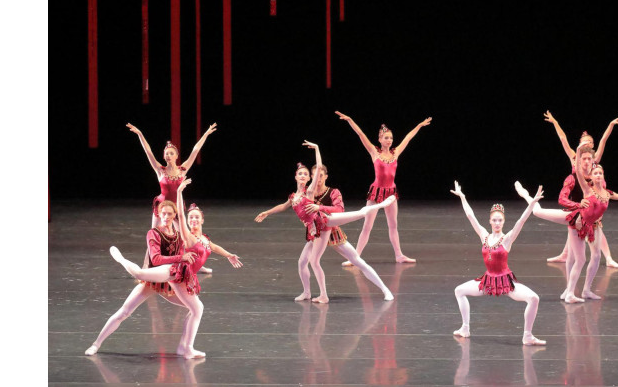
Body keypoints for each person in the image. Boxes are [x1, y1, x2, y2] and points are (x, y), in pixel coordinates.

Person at [107, 178, 243, 359]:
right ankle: (186, 348)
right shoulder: (187, 235)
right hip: (178, 274)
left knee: (196, 309)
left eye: (197, 217)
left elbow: (214, 247)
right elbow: (179, 211)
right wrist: (179, 192)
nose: (193, 219)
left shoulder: (205, 239)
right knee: (196, 308)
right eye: (191, 217)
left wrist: (228, 255)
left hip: (188, 277)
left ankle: (185, 347)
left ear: (202, 219)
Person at [255, 141, 396, 303]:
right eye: (312, 175)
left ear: (320, 177)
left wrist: (316, 149)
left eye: (318, 175)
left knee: (357, 258)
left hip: (329, 227)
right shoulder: (298, 195)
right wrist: (267, 212)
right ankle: (307, 292)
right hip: (315, 232)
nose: (317, 178)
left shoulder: (321, 192)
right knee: (302, 262)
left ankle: (385, 289)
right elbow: (284, 206)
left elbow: (338, 209)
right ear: (297, 177)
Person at [516, 144, 618, 302]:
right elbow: (578, 172)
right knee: (537, 211)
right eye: (595, 173)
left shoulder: (607, 193)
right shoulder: (588, 190)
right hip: (575, 219)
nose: (597, 175)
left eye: (600, 173)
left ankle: (581, 291)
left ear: (602, 176)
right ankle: (527, 195)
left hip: (589, 226)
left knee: (589, 257)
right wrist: (580, 150)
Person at [84, 199, 190, 356]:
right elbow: (156, 259)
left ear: (174, 215)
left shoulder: (179, 236)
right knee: (124, 312)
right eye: (163, 213)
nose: (166, 216)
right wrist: (181, 257)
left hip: (169, 283)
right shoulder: (153, 233)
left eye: (169, 214)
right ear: (159, 215)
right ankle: (96, 344)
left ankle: (185, 346)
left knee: (194, 308)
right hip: (152, 280)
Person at [449, 181, 547, 345]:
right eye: (494, 220)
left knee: (533, 298)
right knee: (459, 291)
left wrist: (532, 203)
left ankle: (527, 335)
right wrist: (463, 197)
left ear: (503, 222)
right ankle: (465, 328)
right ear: (489, 221)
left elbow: (521, 221)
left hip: (505, 283)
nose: (496, 223)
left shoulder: (506, 239)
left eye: (499, 220)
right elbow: (470, 216)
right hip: (488, 282)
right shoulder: (484, 236)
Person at [334, 111, 431, 264]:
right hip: (376, 192)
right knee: (367, 226)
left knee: (393, 225)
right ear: (379, 139)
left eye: (391, 138)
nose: (389, 140)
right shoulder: (374, 152)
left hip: (391, 193)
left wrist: (419, 125)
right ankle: (355, 257)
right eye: (386, 138)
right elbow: (360, 134)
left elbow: (408, 137)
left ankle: (399, 255)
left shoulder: (395, 153)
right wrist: (350, 120)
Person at [127, 122, 218, 273]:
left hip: (177, 207)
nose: (168, 155)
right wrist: (140, 134)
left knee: (185, 237)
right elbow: (148, 151)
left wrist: (206, 134)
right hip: (162, 207)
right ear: (164, 156)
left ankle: (195, 263)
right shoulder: (160, 170)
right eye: (166, 153)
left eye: (171, 153)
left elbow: (195, 150)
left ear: (176, 156)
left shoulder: (183, 170)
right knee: (153, 235)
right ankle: (145, 266)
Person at [543, 111, 618, 267]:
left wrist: (610, 125)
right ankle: (565, 254)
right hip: (577, 196)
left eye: (589, 142)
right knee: (573, 226)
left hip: (591, 197)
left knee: (596, 226)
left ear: (592, 145)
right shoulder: (575, 157)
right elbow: (563, 139)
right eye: (584, 142)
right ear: (580, 144)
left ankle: (608, 258)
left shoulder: (594, 159)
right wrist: (555, 122)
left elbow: (604, 140)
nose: (587, 144)